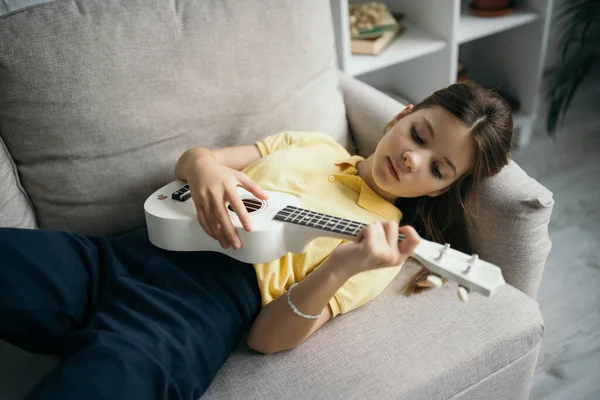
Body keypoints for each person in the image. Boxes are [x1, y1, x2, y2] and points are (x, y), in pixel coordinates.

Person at [0, 81, 513, 400]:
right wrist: (202, 166)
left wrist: (341, 267)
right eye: (419, 136)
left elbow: (266, 339)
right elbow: (199, 160)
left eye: (437, 167)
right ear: (402, 116)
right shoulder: (311, 144)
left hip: (189, 316)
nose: (412, 160)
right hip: (123, 253)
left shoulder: (379, 250)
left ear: (443, 187)